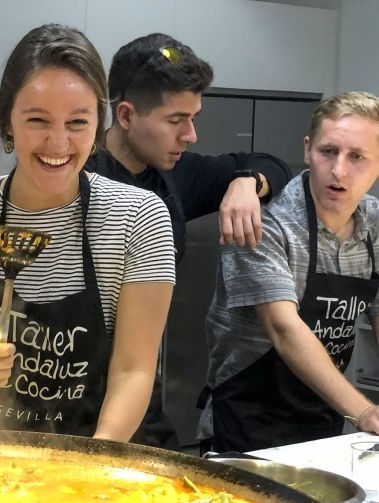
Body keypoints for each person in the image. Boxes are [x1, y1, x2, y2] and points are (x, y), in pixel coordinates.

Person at [0, 24, 175, 441]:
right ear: (8, 123)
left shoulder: (138, 217)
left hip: (100, 455)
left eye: (77, 122)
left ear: (98, 126)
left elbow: (133, 370)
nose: (58, 142)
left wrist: (87, 467)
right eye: (38, 120)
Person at [84, 33, 292, 449]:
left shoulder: (179, 175)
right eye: (176, 120)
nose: (191, 135)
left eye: (194, 117)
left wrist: (246, 184)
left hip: (142, 395)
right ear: (125, 115)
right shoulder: (78, 178)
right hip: (74, 398)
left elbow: (273, 163)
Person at [199, 91, 379, 453]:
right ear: (307, 149)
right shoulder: (263, 219)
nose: (339, 170)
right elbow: (284, 329)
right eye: (329, 152)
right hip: (247, 422)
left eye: (357, 157)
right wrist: (364, 411)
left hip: (324, 418)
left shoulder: (375, 224)